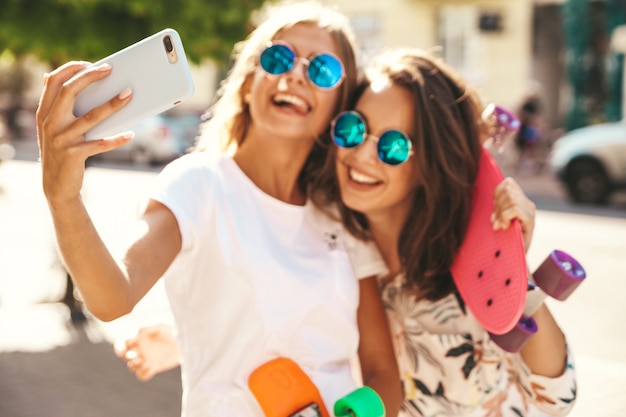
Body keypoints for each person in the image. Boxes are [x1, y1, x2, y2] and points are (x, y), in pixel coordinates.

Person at [35, 1, 402, 416]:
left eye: (322, 70)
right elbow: (112, 298)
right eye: (279, 58)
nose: (297, 74)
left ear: (339, 105)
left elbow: (383, 373)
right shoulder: (199, 184)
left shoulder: (343, 216)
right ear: (248, 81)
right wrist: (62, 198)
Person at [316, 48, 576, 416]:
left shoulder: (470, 259)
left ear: (428, 162)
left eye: (392, 147)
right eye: (352, 129)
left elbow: (557, 396)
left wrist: (516, 272)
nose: (360, 154)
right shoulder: (332, 245)